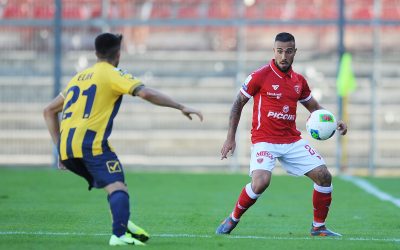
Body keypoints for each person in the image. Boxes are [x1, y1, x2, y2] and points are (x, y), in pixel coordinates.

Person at [43, 33, 203, 246]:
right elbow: (145, 94)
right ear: (118, 54)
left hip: (67, 147)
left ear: (96, 53)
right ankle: (118, 235)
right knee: (117, 187)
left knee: (115, 185)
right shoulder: (112, 74)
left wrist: (60, 150)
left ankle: (122, 221)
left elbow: (48, 111)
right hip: (91, 145)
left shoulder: (78, 78)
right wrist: (181, 106)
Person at [215, 32, 347, 237]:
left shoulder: (298, 81)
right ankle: (233, 218)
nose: (283, 56)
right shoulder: (260, 75)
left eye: (288, 51)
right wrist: (230, 138)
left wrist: (332, 120)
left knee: (324, 177)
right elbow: (238, 103)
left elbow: (314, 107)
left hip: (291, 140)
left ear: (295, 52)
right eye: (279, 51)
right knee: (260, 182)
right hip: (264, 140)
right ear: (274, 51)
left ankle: (318, 227)